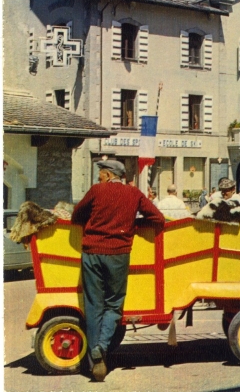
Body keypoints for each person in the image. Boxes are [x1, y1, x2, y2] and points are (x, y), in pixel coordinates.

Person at [71, 160, 164, 382]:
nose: (98, 178)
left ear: (108, 174)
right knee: (114, 303)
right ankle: (101, 347)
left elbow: (76, 216)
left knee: (94, 304)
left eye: (101, 174)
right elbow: (158, 219)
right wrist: (132, 223)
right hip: (118, 254)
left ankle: (96, 360)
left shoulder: (96, 191)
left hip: (92, 252)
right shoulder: (134, 194)